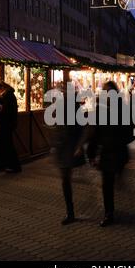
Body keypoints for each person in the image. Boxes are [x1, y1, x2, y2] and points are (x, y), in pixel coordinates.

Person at [86, 81, 131, 227]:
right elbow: (94, 133)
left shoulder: (123, 109)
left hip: (118, 151)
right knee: (107, 184)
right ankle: (108, 213)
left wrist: (120, 141)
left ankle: (120, 179)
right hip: (105, 152)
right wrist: (91, 153)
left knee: (111, 179)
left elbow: (131, 132)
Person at [54, 93, 86, 225]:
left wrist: (79, 146)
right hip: (64, 148)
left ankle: (70, 212)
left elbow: (82, 130)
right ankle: (70, 211)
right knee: (65, 180)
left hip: (68, 148)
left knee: (66, 180)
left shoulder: (75, 111)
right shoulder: (66, 109)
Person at [0, 80, 21, 173]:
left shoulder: (7, 96)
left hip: (6, 124)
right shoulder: (9, 95)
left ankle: (14, 166)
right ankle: (12, 165)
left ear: (1, 88)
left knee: (8, 145)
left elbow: (6, 111)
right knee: (9, 145)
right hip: (9, 123)